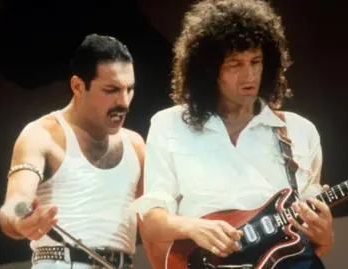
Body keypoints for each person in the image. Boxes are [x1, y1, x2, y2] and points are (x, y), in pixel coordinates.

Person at [136, 0, 334, 268]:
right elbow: (152, 224)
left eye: (256, 61)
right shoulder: (169, 124)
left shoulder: (301, 131)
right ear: (208, 69)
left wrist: (324, 234)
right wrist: (193, 228)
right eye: (234, 64)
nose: (249, 75)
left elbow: (315, 242)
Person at [0, 33, 145, 269]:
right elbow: (16, 201)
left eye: (130, 89)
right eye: (111, 90)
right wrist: (20, 218)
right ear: (77, 86)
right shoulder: (41, 134)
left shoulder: (135, 145)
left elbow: (153, 220)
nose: (124, 102)